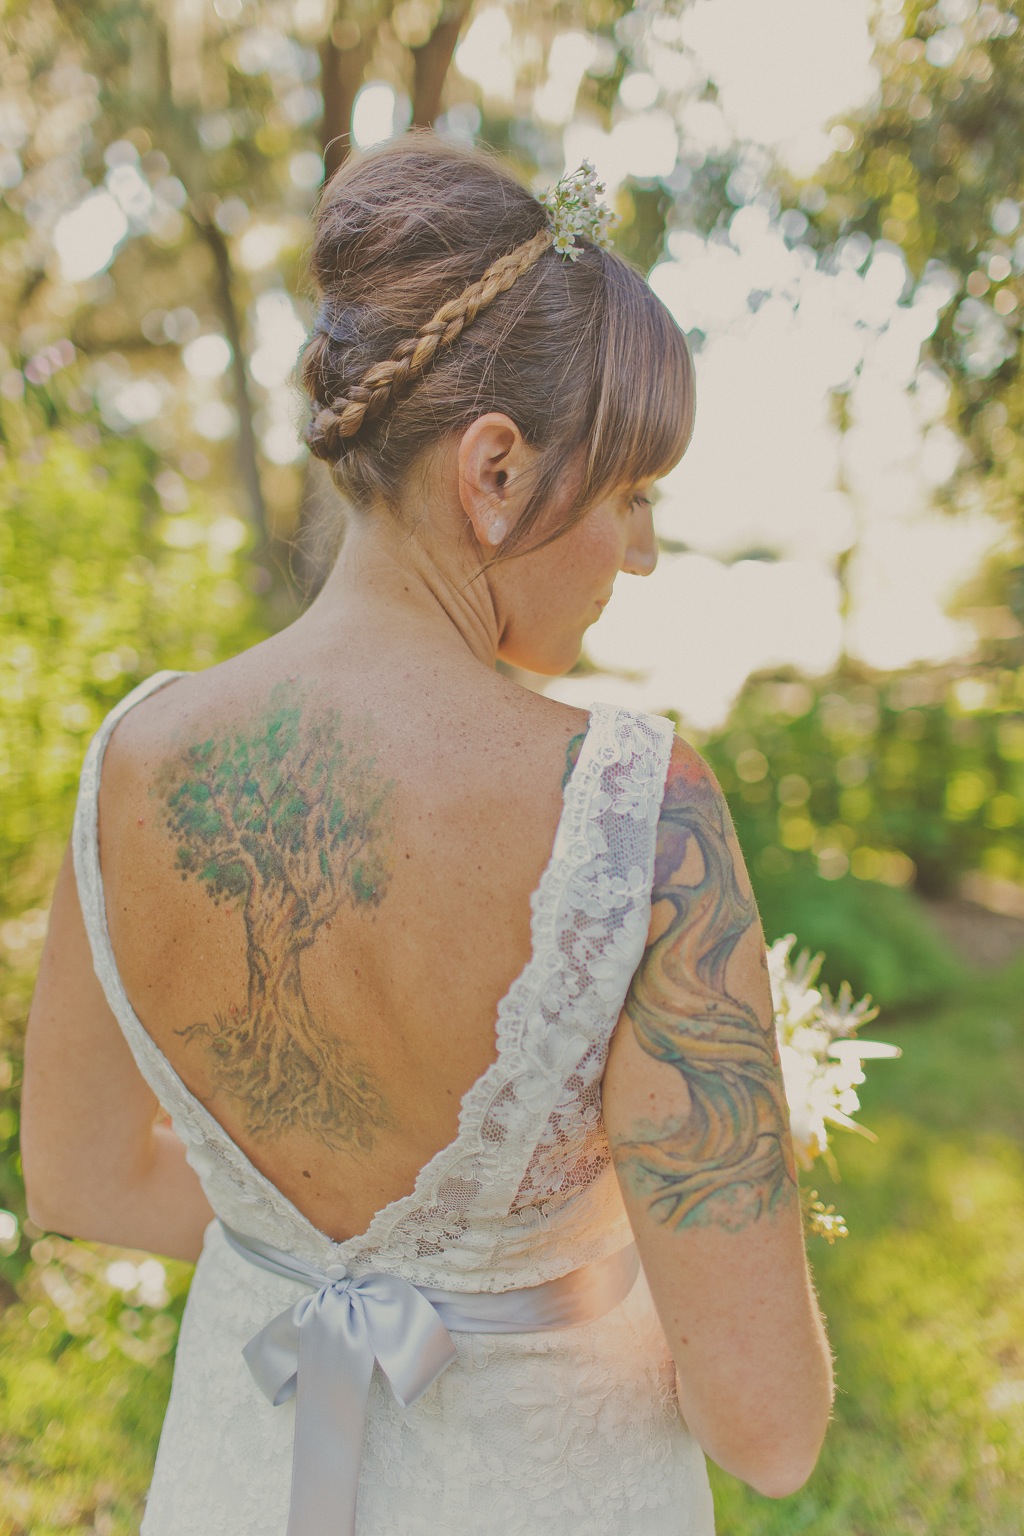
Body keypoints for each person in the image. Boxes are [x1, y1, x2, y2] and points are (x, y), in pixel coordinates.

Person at [20, 130, 833, 1536]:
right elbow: (768, 1429)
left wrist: (319, 1262)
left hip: (240, 1474)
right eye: (632, 492)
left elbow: (80, 1181)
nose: (640, 551)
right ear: (496, 469)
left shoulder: (129, 761)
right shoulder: (639, 816)